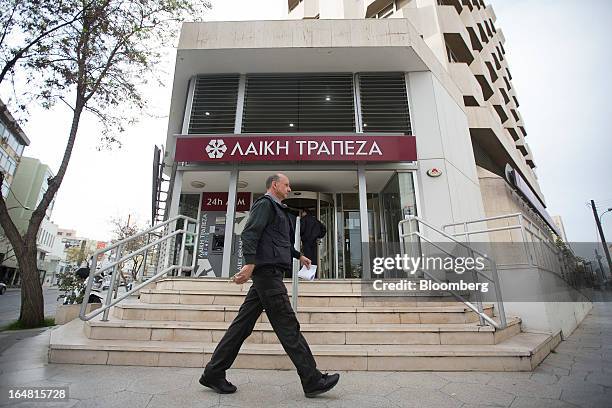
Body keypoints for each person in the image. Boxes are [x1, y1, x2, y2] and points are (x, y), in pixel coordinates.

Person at [199, 173, 340, 398]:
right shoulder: (265, 205)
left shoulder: (279, 210)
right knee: (288, 326)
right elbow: (250, 233)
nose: (290, 188)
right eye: (286, 185)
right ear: (275, 185)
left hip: (268, 275)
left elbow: (278, 241)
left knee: (241, 326)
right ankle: (312, 380)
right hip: (267, 275)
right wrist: (250, 264)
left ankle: (213, 372)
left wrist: (299, 255)